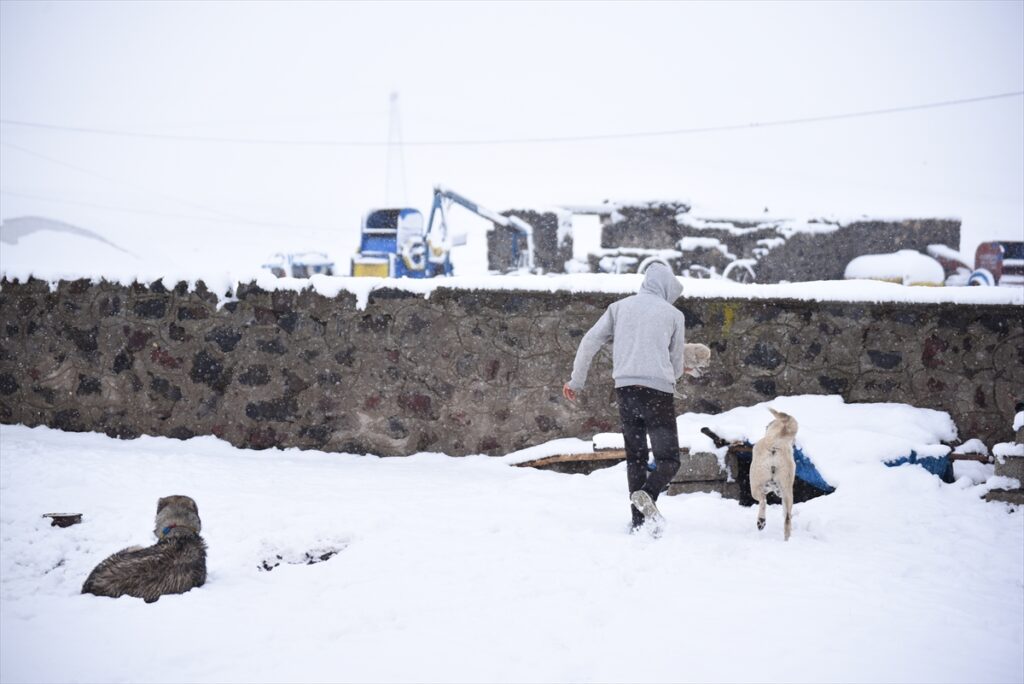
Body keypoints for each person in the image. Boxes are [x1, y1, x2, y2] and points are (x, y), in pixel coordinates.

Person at [562, 262, 686, 535]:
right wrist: (669, 372)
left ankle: (638, 522)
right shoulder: (674, 315)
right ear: (666, 287)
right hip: (659, 394)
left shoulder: (618, 308)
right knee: (669, 460)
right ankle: (649, 494)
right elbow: (676, 366)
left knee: (636, 458)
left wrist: (576, 380)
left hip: (626, 391)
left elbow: (590, 341)